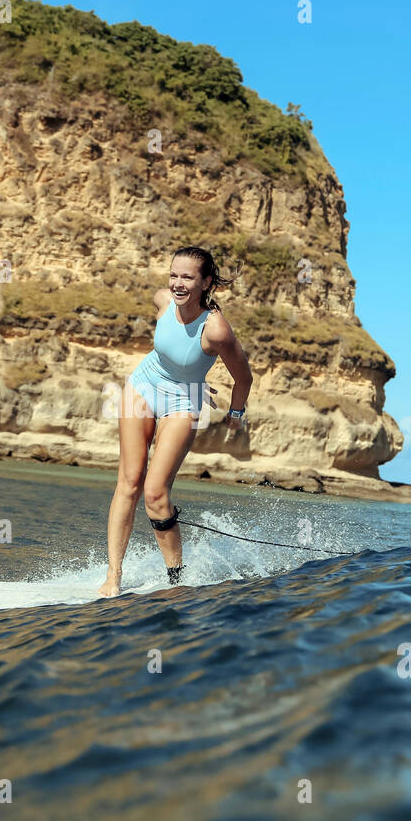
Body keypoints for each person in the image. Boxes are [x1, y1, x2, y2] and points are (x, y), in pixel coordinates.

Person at [98, 246, 253, 597]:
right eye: (174, 275)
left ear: (206, 282)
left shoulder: (216, 330)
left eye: (187, 277)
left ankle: (175, 580)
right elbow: (168, 349)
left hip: (183, 402)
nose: (178, 283)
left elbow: (244, 378)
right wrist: (188, 371)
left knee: (155, 493)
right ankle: (113, 576)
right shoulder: (163, 300)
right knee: (130, 481)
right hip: (143, 385)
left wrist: (235, 414)